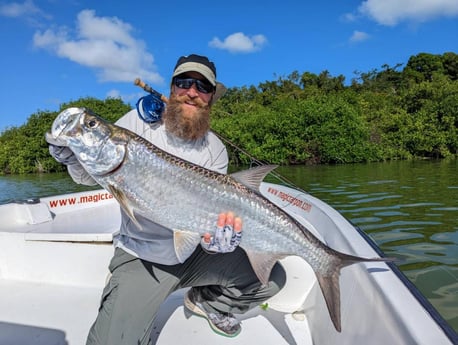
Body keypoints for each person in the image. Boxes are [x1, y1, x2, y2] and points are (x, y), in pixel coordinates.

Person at [46, 54, 286, 344]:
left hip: (193, 253)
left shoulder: (215, 149)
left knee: (273, 279)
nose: (192, 92)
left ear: (211, 98)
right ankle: (125, 288)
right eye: (184, 83)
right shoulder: (136, 122)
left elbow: (206, 221)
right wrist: (71, 156)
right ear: (172, 89)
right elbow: (89, 176)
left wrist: (214, 241)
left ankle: (206, 301)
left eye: (202, 87)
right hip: (142, 255)